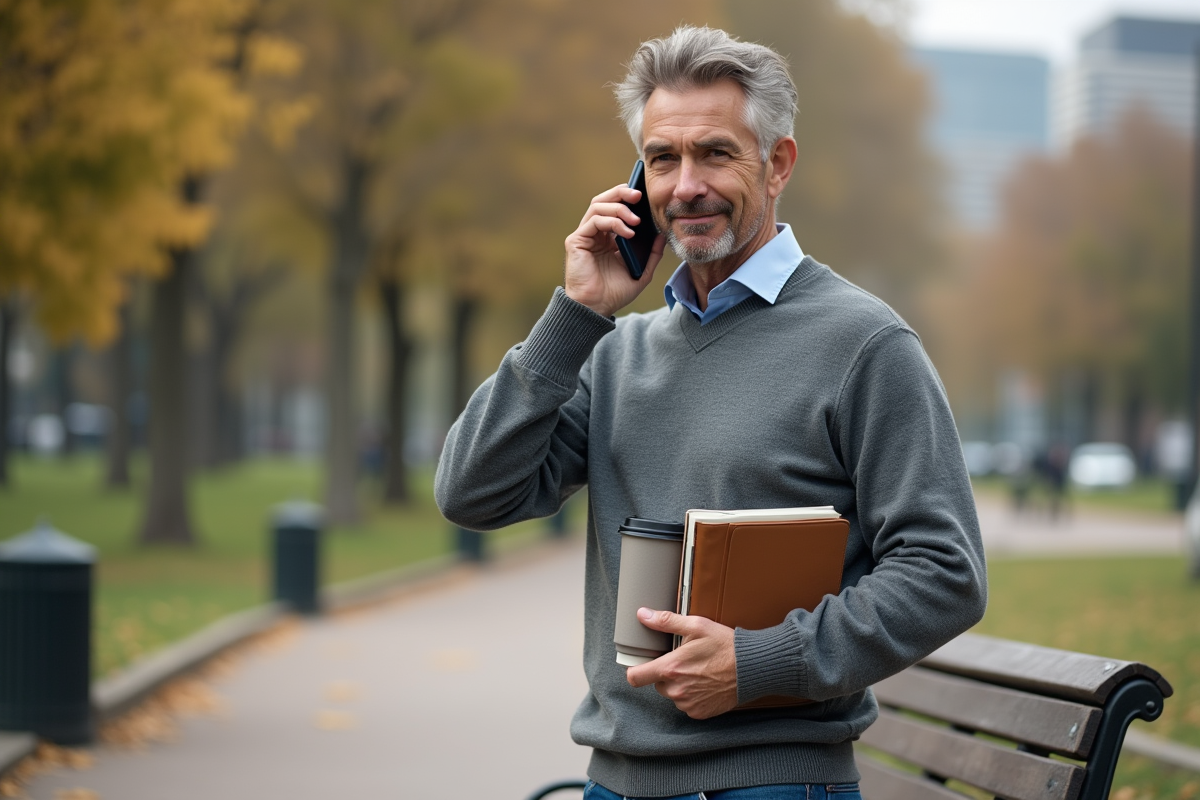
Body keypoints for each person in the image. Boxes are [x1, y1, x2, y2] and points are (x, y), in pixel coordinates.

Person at [435, 26, 986, 800]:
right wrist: (575, 315)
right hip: (617, 781)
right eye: (663, 158)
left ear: (778, 163)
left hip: (775, 784)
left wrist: (760, 663)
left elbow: (945, 572)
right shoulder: (612, 352)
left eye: (716, 153)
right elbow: (471, 494)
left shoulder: (865, 343)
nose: (685, 185)